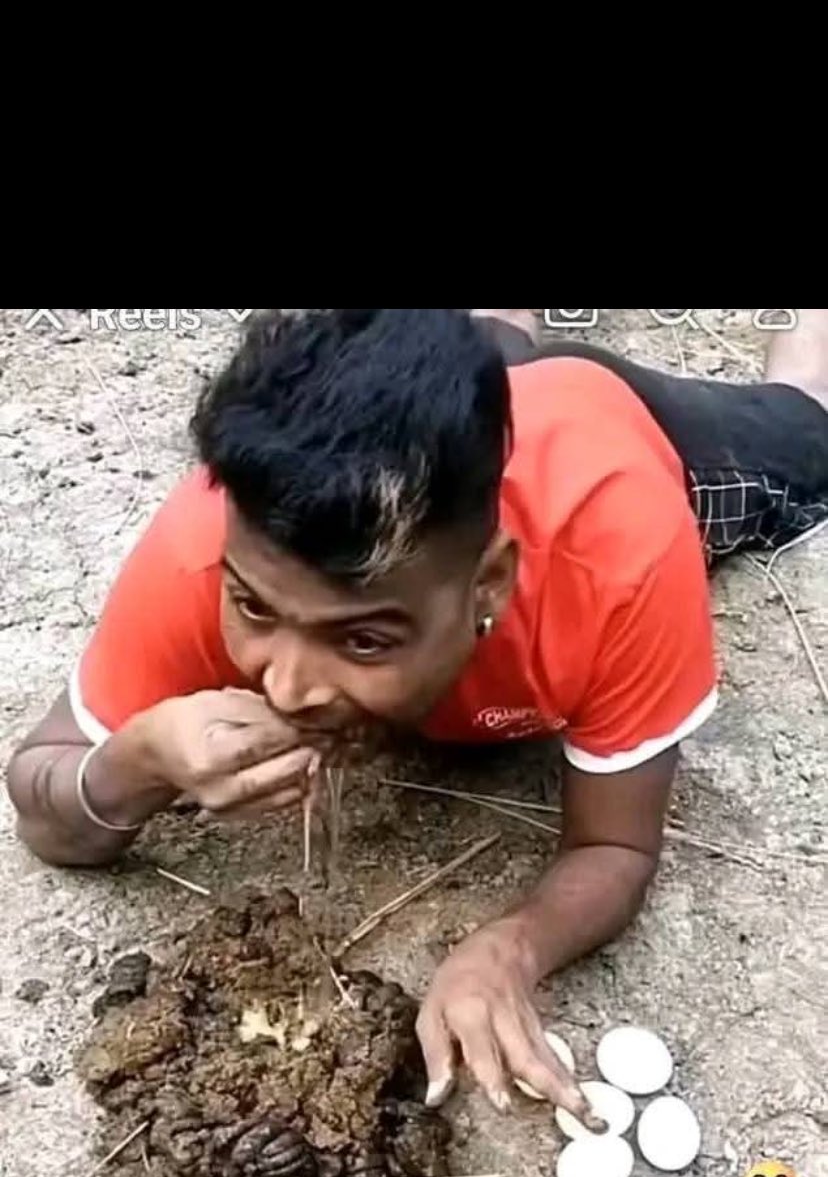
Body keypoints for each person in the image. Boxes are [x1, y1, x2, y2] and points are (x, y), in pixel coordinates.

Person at [7, 308, 828, 1123]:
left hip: (597, 418)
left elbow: (615, 848)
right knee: (483, 349)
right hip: (462, 406)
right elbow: (47, 808)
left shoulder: (618, 552)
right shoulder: (213, 546)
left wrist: (511, 947)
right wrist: (138, 761)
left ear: (489, 585)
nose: (287, 687)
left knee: (807, 433)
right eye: (255, 610)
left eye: (363, 638)